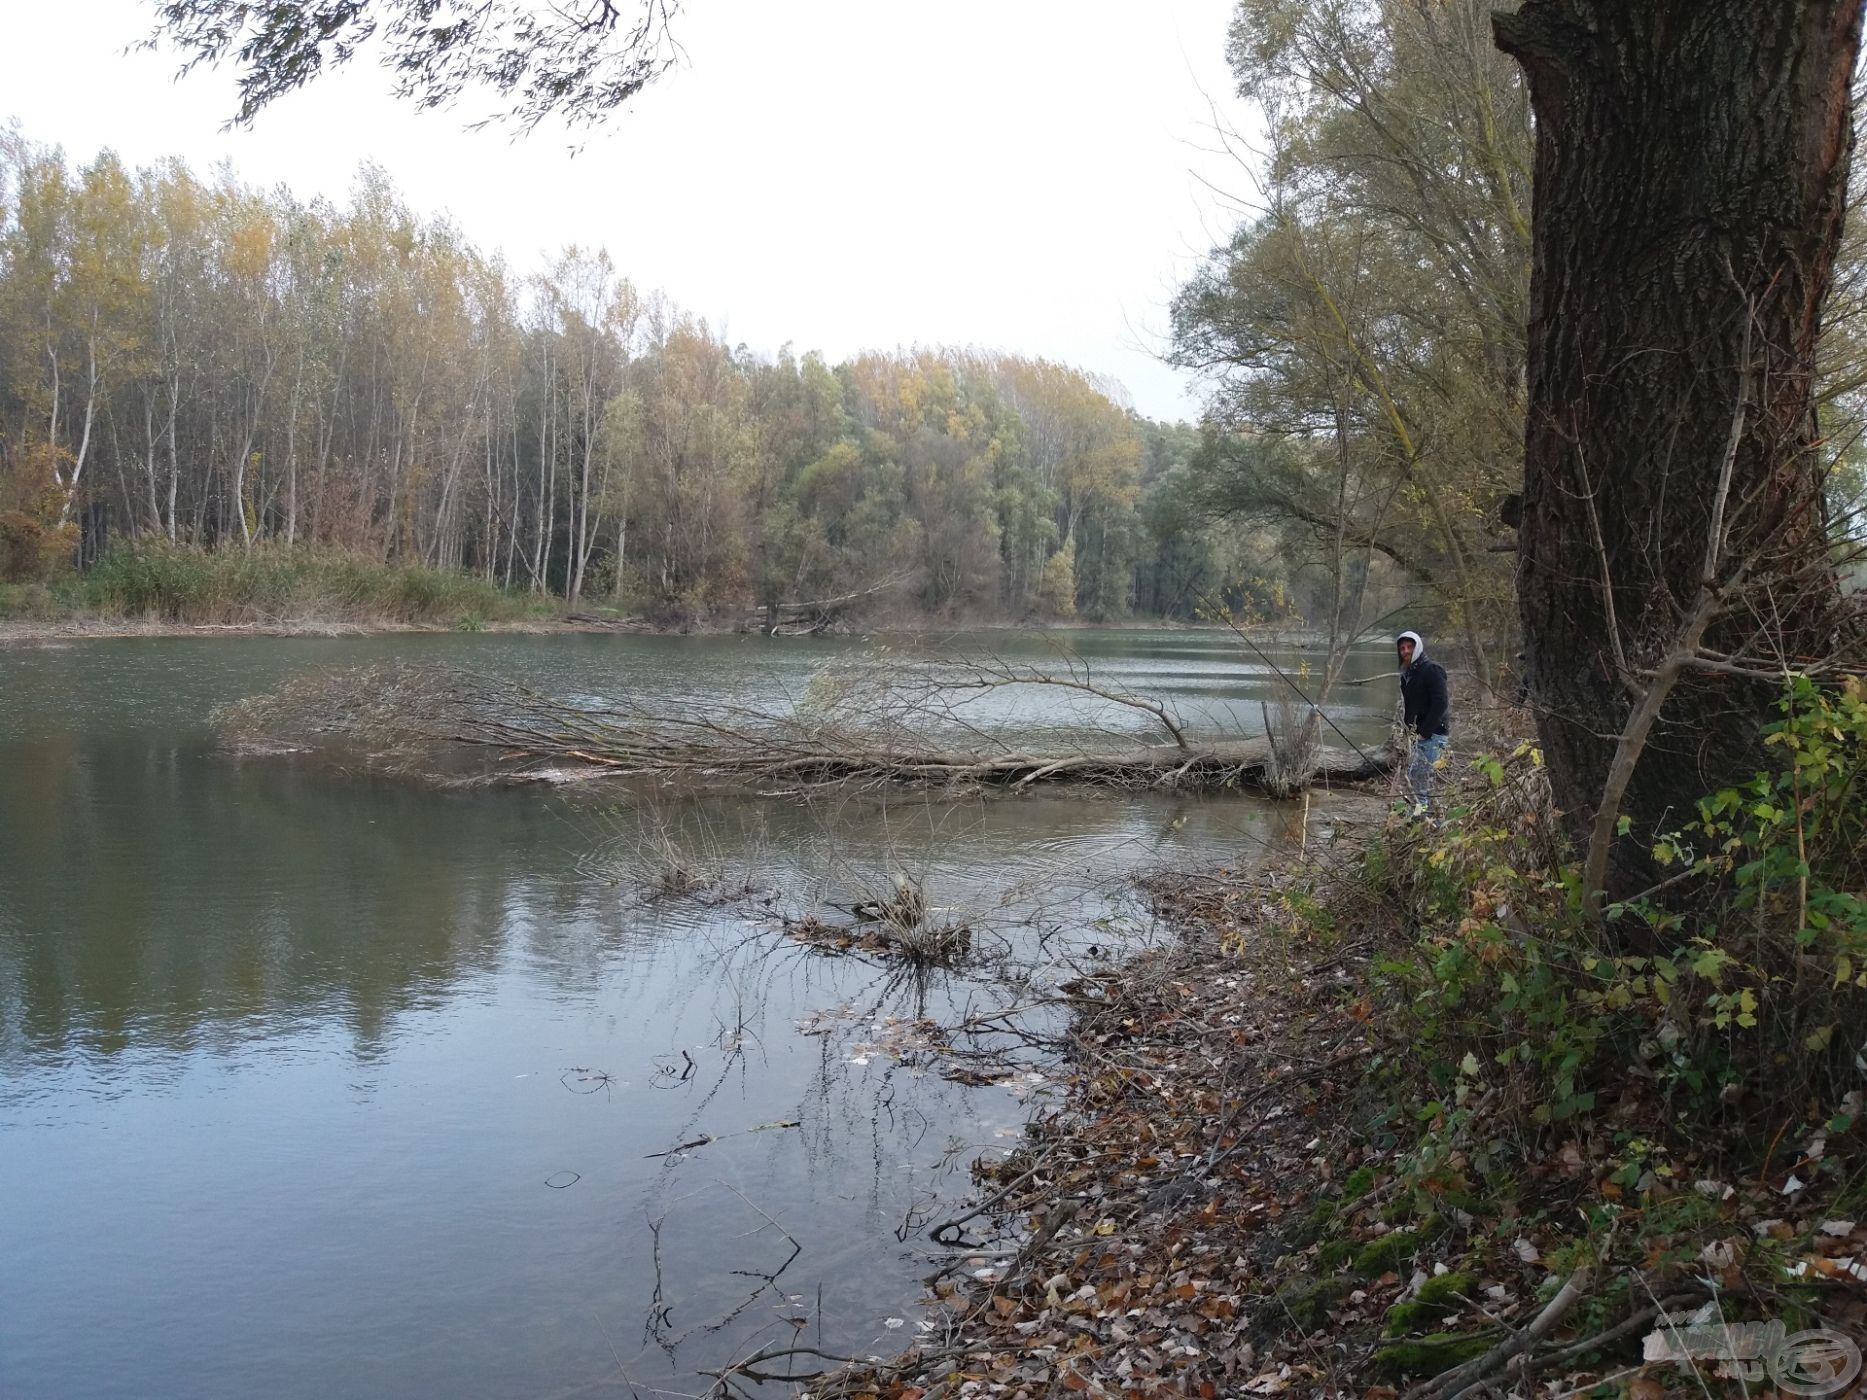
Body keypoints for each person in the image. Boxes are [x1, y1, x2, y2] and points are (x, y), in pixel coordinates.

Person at [1396, 629, 1450, 813]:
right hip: (1420, 737)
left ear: (1418, 647)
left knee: (1422, 781)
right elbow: (1411, 707)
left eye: (1409, 647)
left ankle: (1426, 822)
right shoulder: (1407, 674)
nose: (1405, 651)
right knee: (1417, 780)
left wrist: (1425, 731)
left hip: (1434, 736)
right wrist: (1406, 732)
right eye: (1402, 648)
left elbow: (1441, 702)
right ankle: (1424, 822)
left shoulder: (1431, 669)